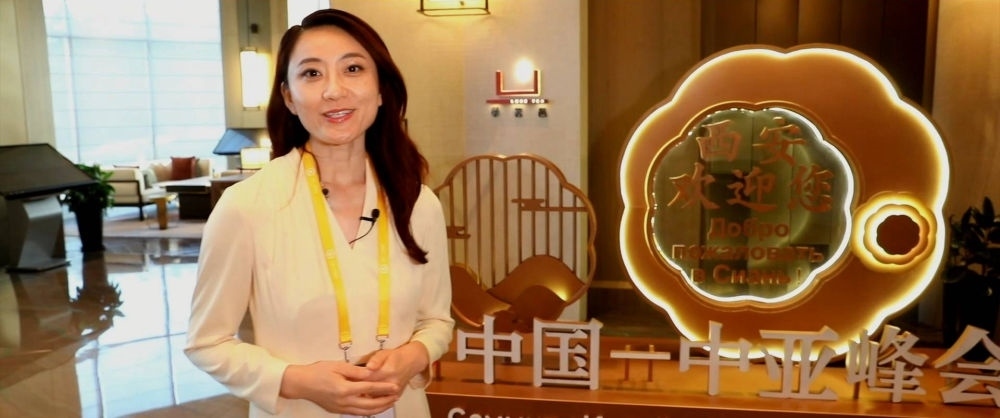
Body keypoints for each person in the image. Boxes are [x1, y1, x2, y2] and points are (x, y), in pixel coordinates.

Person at [185, 8, 454, 418]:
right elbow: (207, 343)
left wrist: (414, 355)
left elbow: (437, 321)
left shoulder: (418, 202)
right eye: (311, 73)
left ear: (380, 89)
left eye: (353, 69)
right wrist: (296, 381)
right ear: (289, 97)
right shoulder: (247, 205)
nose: (333, 90)